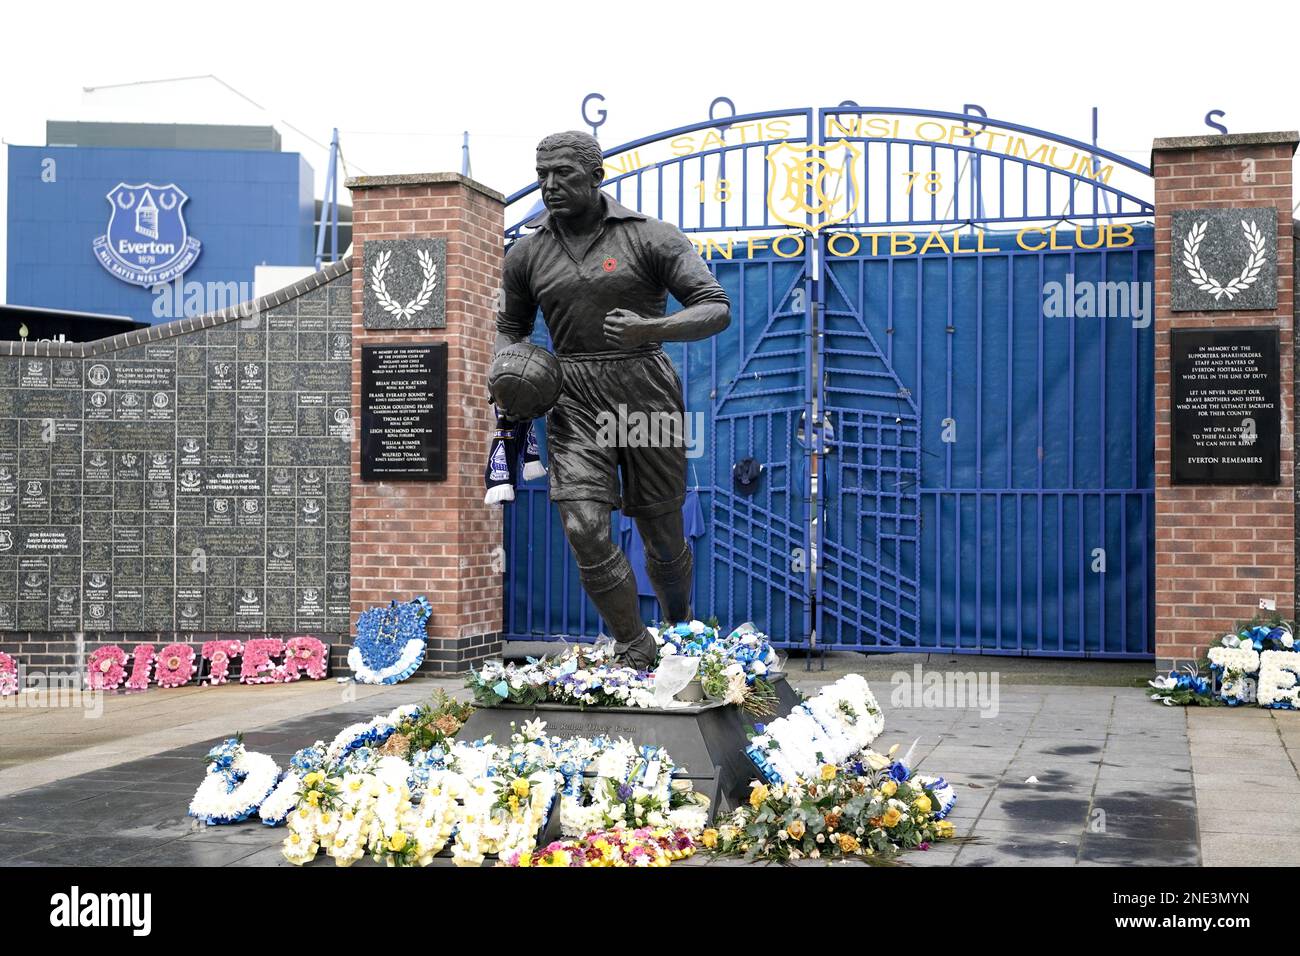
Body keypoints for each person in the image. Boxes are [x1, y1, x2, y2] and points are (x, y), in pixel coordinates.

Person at [495, 130, 730, 669]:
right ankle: (633, 644)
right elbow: (510, 327)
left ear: (597, 176)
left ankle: (678, 627)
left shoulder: (651, 237)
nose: (550, 185)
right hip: (573, 396)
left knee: (662, 528)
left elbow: (715, 306)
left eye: (564, 174)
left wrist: (654, 326)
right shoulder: (526, 253)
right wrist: (507, 371)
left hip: (643, 390)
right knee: (582, 525)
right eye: (542, 175)